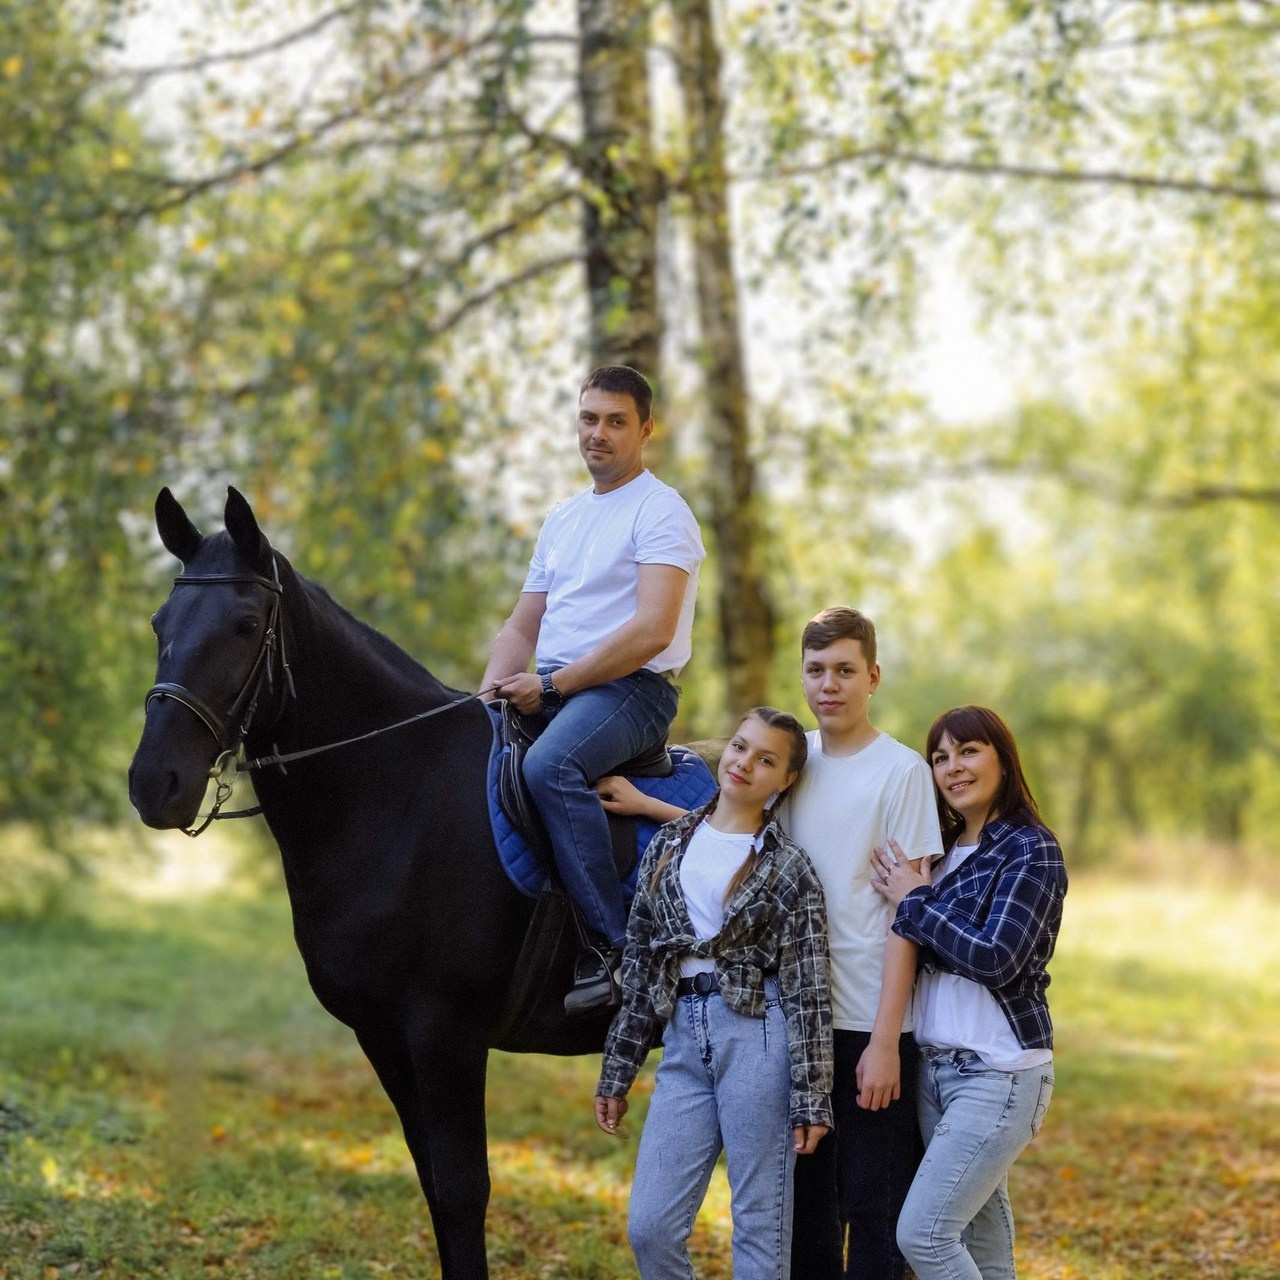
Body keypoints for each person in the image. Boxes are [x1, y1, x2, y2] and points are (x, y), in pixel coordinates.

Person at [599, 606, 943, 1280]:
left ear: (872, 677)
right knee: (803, 1216)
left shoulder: (900, 772)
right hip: (789, 1014)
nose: (830, 684)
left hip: (867, 1017)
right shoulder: (798, 757)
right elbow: (734, 834)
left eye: (846, 671)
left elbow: (910, 912)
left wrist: (885, 1041)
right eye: (816, 671)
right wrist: (651, 809)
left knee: (872, 1211)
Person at [480, 365, 705, 1014]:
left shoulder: (662, 511)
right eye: (588, 418)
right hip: (558, 687)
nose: (598, 433)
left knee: (551, 766)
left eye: (615, 421)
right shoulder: (564, 518)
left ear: (645, 430)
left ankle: (616, 951)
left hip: (633, 690)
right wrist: (486, 696)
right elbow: (524, 624)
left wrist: (551, 685)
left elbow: (652, 630)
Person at [594, 707, 833, 1280]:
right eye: (741, 747)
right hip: (682, 1040)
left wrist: (812, 1096)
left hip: (759, 1036)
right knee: (650, 1229)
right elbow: (642, 965)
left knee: (759, 1224)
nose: (745, 763)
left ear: (786, 780)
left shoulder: (790, 868)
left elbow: (810, 990)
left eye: (766, 759)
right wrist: (617, 1070)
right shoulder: (669, 845)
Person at [870, 705, 1067, 1280]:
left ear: (1003, 759)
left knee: (924, 1235)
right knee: (980, 1243)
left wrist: (915, 900)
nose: (953, 767)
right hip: (935, 1073)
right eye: (940, 757)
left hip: (999, 1074)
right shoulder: (942, 854)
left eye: (969, 751)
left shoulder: (1030, 849)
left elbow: (996, 957)